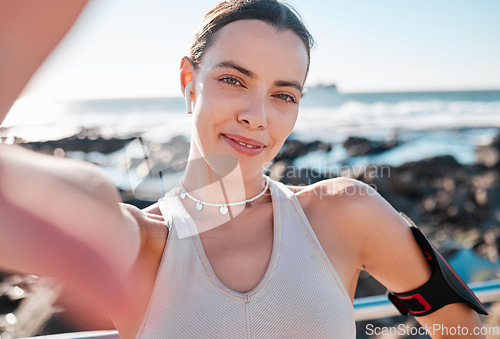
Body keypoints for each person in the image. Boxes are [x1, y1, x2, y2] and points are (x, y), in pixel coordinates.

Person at [0, 0, 487, 338]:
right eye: (234, 80)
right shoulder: (143, 241)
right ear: (190, 82)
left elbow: (460, 326)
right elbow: (85, 199)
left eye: (283, 95)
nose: (258, 115)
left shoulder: (343, 213)